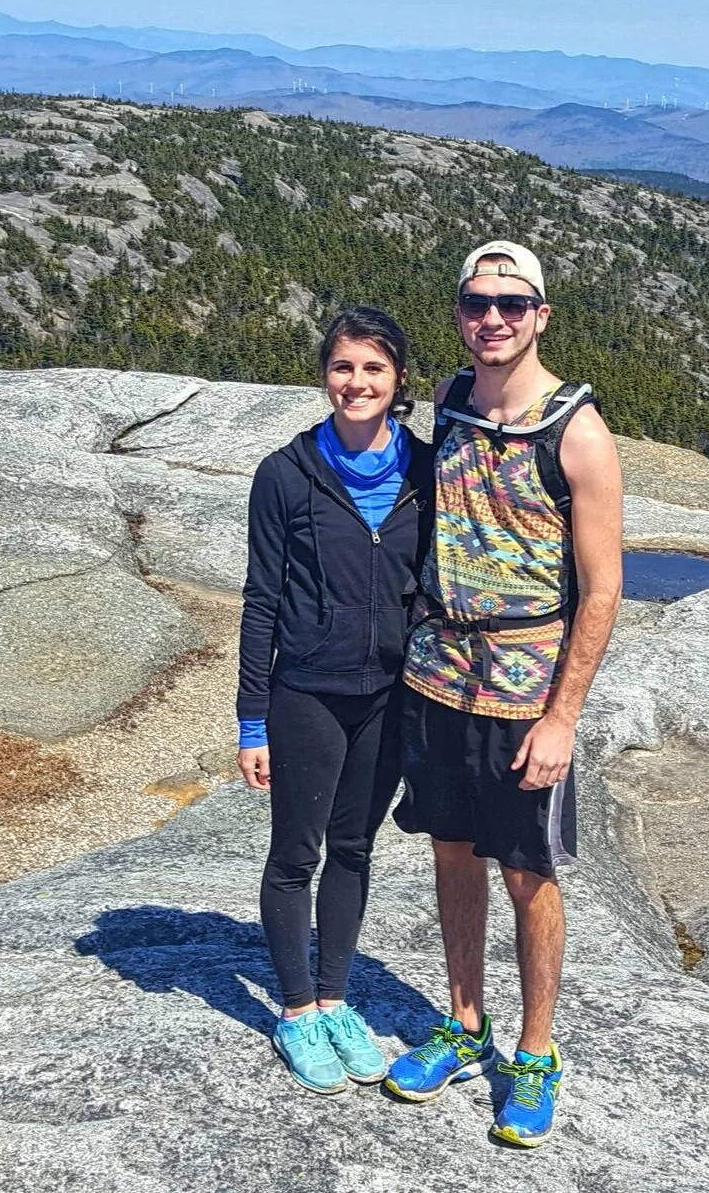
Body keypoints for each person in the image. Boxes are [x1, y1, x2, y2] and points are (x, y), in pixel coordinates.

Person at [384, 241, 623, 1147]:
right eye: (477, 301)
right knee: (451, 853)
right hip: (439, 673)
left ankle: (534, 1053)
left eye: (512, 304)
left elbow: (601, 587)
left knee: (528, 873)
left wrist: (562, 717)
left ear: (541, 315)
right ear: (459, 312)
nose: (493, 317)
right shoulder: (448, 400)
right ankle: (462, 1021)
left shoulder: (577, 431)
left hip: (525, 688)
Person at [237, 306, 432, 1095]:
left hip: (391, 693)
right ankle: (293, 1011)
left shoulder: (426, 468)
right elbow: (260, 601)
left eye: (373, 369)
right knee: (296, 854)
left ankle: (335, 1000)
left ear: (398, 382)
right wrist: (253, 720)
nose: (356, 383)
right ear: (326, 375)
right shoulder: (285, 474)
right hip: (307, 694)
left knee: (355, 849)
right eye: (344, 367)